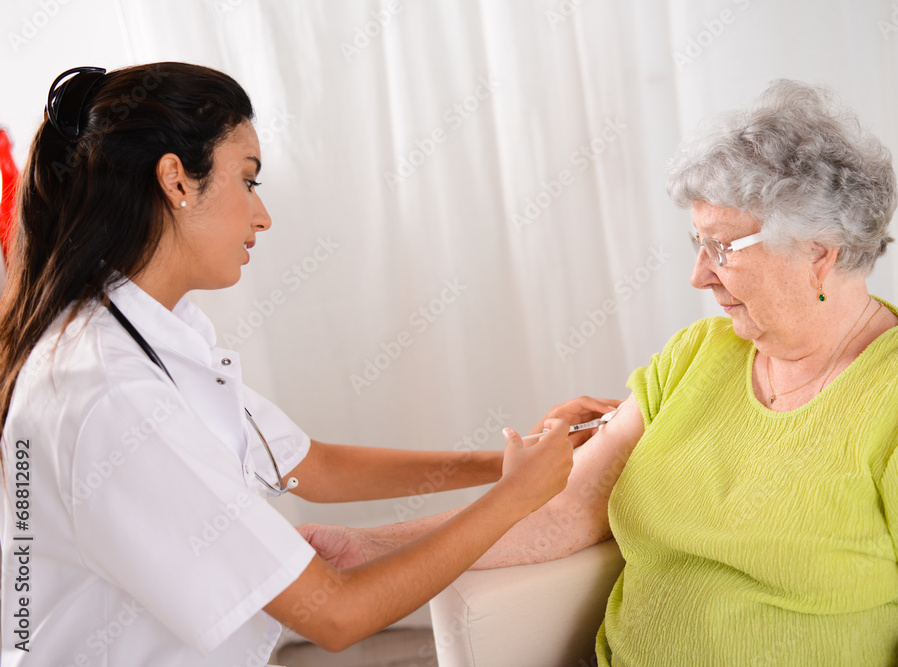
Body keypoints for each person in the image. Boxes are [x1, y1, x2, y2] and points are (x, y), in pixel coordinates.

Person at [301, 80, 898, 664]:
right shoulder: (697, 356)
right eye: (697, 243)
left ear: (819, 252)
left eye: (723, 247)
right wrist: (365, 548)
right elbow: (563, 508)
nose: (700, 274)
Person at [0, 62, 608, 665]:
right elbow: (336, 616)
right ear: (177, 181)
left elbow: (310, 466)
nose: (263, 216)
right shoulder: (108, 387)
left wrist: (517, 458)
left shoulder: (147, 333)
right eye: (249, 179)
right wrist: (514, 497)